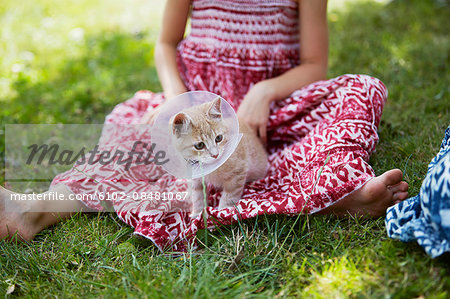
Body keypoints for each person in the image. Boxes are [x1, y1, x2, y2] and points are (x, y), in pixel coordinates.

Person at [0, 0, 408, 251]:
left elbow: (315, 64)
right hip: (198, 112)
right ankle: (32, 212)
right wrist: (176, 101)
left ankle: (337, 191)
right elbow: (165, 43)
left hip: (272, 117)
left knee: (361, 89)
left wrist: (265, 91)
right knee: (132, 142)